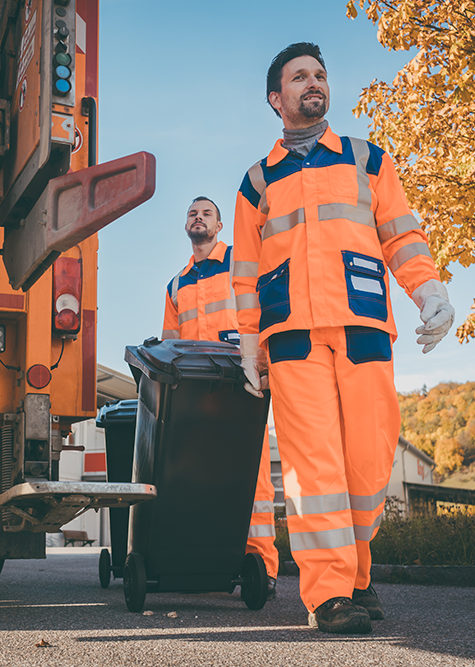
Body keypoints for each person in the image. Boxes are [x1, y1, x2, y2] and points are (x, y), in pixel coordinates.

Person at [232, 42, 455, 634]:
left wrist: (428, 291)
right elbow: (245, 274)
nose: (314, 82)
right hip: (293, 340)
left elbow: (402, 238)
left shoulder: (369, 160)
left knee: (369, 463)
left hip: (363, 330)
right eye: (299, 76)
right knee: (314, 469)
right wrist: (249, 346)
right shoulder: (257, 183)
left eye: (321, 75)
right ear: (276, 99)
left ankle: (357, 574)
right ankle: (328, 594)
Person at [163, 196, 280, 598]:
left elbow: (265, 312)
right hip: (197, 391)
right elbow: (169, 343)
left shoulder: (241, 265)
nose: (198, 218)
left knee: (254, 476)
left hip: (241, 380)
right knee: (200, 475)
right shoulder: (176, 284)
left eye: (206, 214)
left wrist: (264, 365)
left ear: (220, 225)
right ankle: (206, 561)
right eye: (192, 213)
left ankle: (260, 565)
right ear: (186, 225)